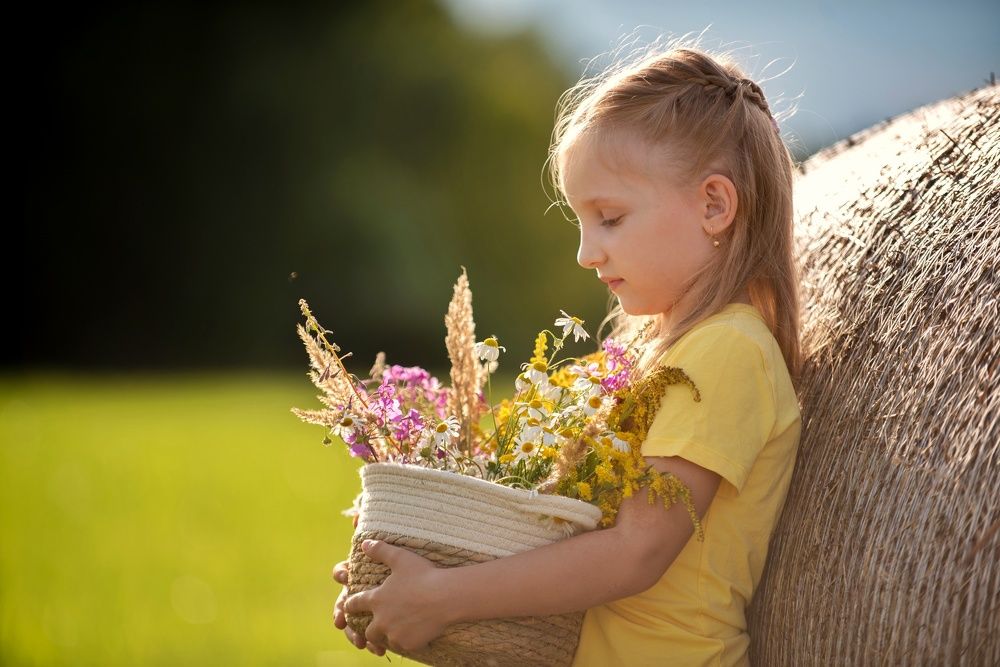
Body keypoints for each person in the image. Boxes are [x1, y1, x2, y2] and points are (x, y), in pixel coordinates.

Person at [332, 38, 802, 666]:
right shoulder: (672, 353)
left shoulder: (727, 352)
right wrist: (418, 555)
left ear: (714, 205)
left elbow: (636, 552)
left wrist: (445, 596)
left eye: (609, 218)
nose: (586, 252)